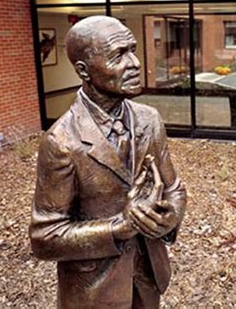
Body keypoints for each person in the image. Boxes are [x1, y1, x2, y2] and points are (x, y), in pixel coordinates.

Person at [29, 16, 187, 309]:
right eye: (118, 55)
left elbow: (174, 189)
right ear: (84, 71)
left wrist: (168, 217)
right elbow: (44, 237)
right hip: (95, 292)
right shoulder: (61, 141)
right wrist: (119, 227)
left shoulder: (149, 120)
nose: (136, 63)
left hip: (148, 279)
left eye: (133, 49)